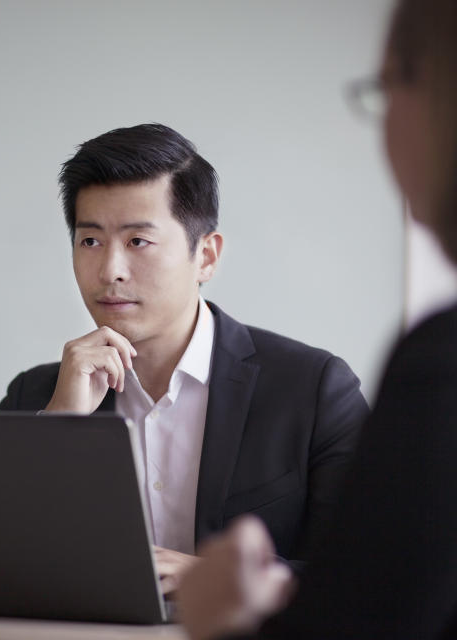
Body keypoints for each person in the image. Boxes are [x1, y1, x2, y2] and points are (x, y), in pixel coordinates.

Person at [178, 0, 457, 638]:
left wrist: (226, 614)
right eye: (88, 240)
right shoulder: (44, 390)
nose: (111, 268)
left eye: (386, 91)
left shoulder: (422, 363)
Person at [0, 123, 370, 593]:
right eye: (90, 241)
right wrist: (59, 429)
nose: (110, 270)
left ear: (206, 257)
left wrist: (220, 579)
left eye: (138, 242)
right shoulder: (35, 396)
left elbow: (372, 577)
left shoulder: (314, 390)